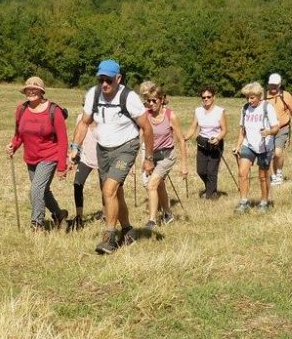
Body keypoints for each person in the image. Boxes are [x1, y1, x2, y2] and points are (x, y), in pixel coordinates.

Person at [69, 59, 154, 255]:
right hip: (103, 149)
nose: (104, 84)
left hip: (126, 147)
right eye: (101, 79)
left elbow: (147, 128)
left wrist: (149, 158)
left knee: (109, 190)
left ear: (118, 78)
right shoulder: (94, 94)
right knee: (113, 193)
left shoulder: (129, 97)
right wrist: (75, 148)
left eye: (108, 80)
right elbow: (84, 123)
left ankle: (109, 238)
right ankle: (127, 229)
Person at [6, 76, 69, 231]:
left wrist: (62, 166)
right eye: (28, 89)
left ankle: (37, 225)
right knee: (42, 191)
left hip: (49, 156)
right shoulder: (21, 110)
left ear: (41, 92)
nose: (31, 91)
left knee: (35, 190)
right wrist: (13, 145)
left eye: (35, 89)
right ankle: (59, 215)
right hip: (31, 158)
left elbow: (63, 140)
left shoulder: (54, 110)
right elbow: (19, 134)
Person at [139, 83, 188, 229]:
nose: (151, 104)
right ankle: (167, 213)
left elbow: (181, 140)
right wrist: (138, 159)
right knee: (159, 185)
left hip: (167, 156)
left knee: (151, 184)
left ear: (162, 99)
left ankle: (152, 221)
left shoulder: (170, 115)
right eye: (149, 101)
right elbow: (141, 137)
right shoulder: (145, 115)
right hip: (152, 156)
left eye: (155, 100)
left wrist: (184, 166)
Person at [232, 82, 278, 213]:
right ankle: (243, 202)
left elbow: (276, 127)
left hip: (265, 146)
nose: (249, 100)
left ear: (259, 96)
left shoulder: (267, 107)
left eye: (252, 97)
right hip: (249, 145)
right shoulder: (245, 108)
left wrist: (268, 132)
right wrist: (238, 145)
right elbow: (242, 130)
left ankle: (264, 202)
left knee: (263, 176)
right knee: (242, 173)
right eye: (247, 97)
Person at [183, 85, 227, 200]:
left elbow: (224, 130)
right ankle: (211, 189)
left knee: (211, 171)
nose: (206, 99)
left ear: (214, 97)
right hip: (202, 143)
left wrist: (217, 138)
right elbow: (193, 127)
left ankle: (210, 196)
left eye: (208, 96)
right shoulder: (198, 111)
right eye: (203, 97)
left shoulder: (219, 111)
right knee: (201, 171)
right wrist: (185, 137)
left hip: (215, 145)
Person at [264, 73, 292, 185]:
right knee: (269, 154)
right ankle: (273, 176)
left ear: (280, 84)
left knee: (277, 153)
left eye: (275, 85)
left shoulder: (286, 96)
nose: (273, 87)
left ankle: (279, 173)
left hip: (282, 128)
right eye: (271, 85)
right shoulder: (264, 97)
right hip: (269, 130)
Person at [72, 113, 102, 229]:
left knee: (105, 189)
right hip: (85, 158)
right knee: (77, 184)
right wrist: (75, 153)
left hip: (102, 160)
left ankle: (107, 213)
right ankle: (79, 217)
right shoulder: (80, 117)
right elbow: (77, 138)